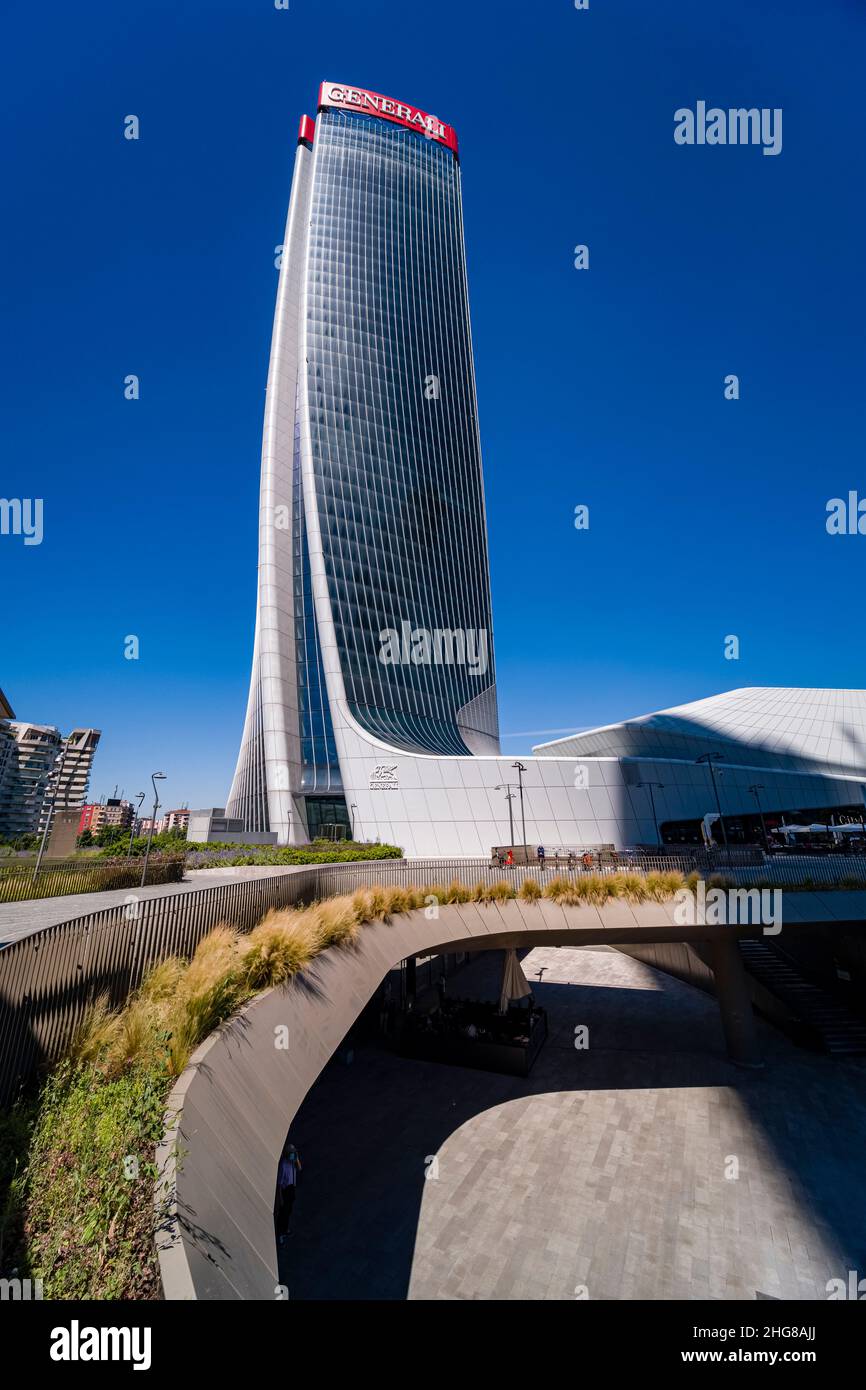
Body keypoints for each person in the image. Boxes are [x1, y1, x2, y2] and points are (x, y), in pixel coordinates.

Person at [276, 1143, 302, 1244]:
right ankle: (280, 1233)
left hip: (291, 1189)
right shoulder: (283, 1165)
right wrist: (281, 1198)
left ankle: (285, 1229)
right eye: (292, 1154)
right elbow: (279, 1183)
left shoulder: (293, 1162)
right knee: (283, 1213)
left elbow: (299, 1168)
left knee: (288, 1212)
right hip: (285, 1190)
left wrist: (297, 1159)